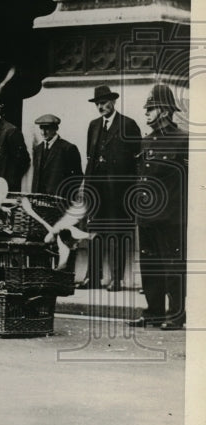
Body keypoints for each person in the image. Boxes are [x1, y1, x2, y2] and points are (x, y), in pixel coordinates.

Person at [129, 84, 188, 330]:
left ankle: (176, 314)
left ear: (164, 111)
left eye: (150, 109)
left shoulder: (182, 139)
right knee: (150, 267)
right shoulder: (146, 141)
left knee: (173, 266)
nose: (146, 113)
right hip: (148, 217)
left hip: (171, 218)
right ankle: (153, 311)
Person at [81, 84, 141, 291]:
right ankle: (94, 277)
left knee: (117, 234)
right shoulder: (93, 125)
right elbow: (90, 157)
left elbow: (137, 162)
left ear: (113, 102)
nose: (100, 107)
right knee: (95, 234)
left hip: (119, 192)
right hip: (98, 191)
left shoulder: (128, 125)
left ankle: (117, 279)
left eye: (104, 103)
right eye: (97, 104)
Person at [30, 114, 82, 196]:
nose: (43, 132)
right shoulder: (38, 149)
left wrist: (67, 198)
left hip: (59, 201)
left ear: (55, 129)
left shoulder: (68, 148)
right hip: (39, 200)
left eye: (47, 128)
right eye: (41, 128)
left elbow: (77, 177)